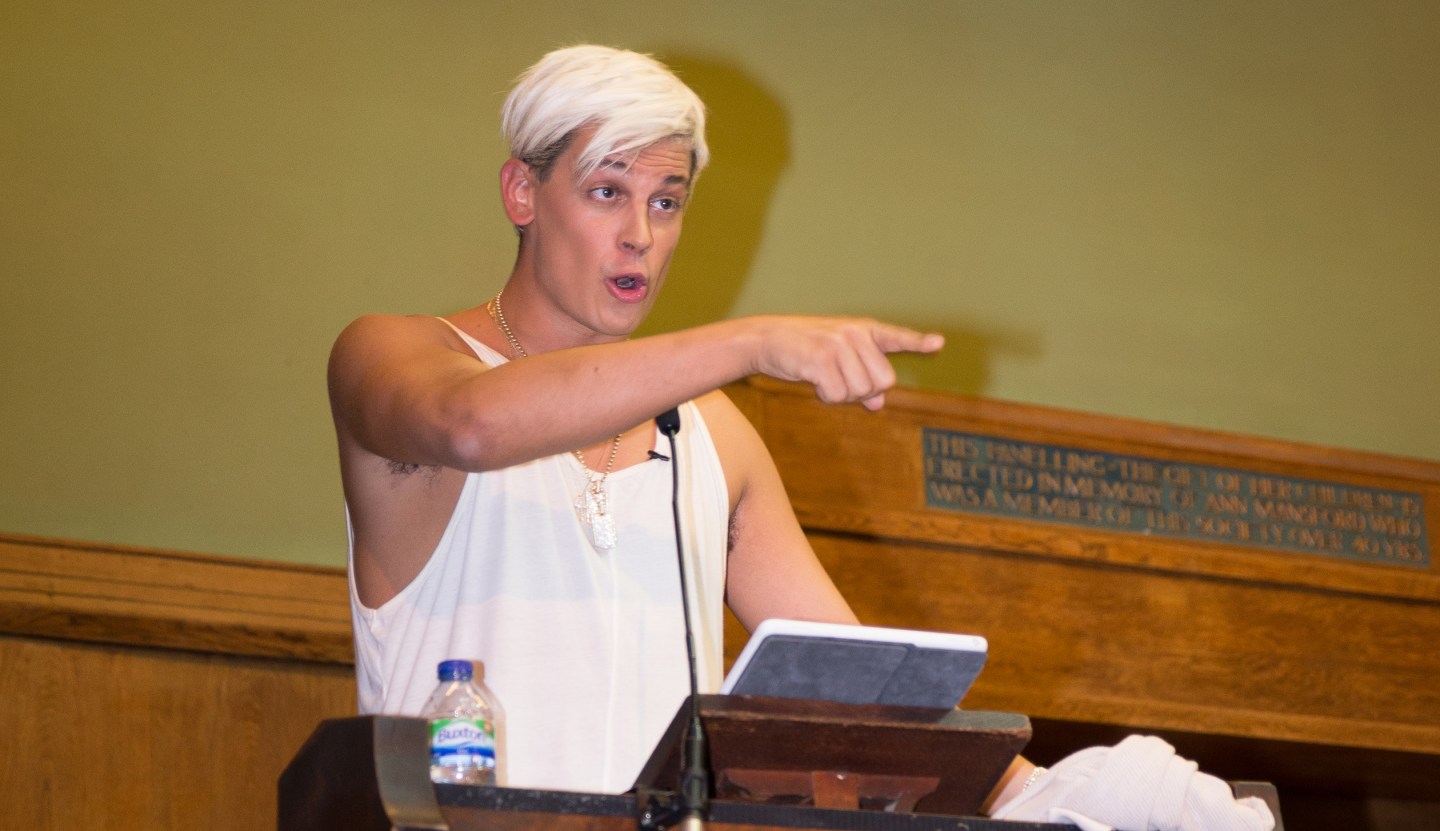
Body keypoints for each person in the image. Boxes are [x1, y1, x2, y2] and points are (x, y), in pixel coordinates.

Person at [328, 45, 1273, 830]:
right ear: (522, 193)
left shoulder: (715, 438)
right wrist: (753, 337)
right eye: (607, 191)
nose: (641, 238)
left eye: (666, 202)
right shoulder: (396, 354)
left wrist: (1082, 796)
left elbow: (867, 708)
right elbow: (475, 425)